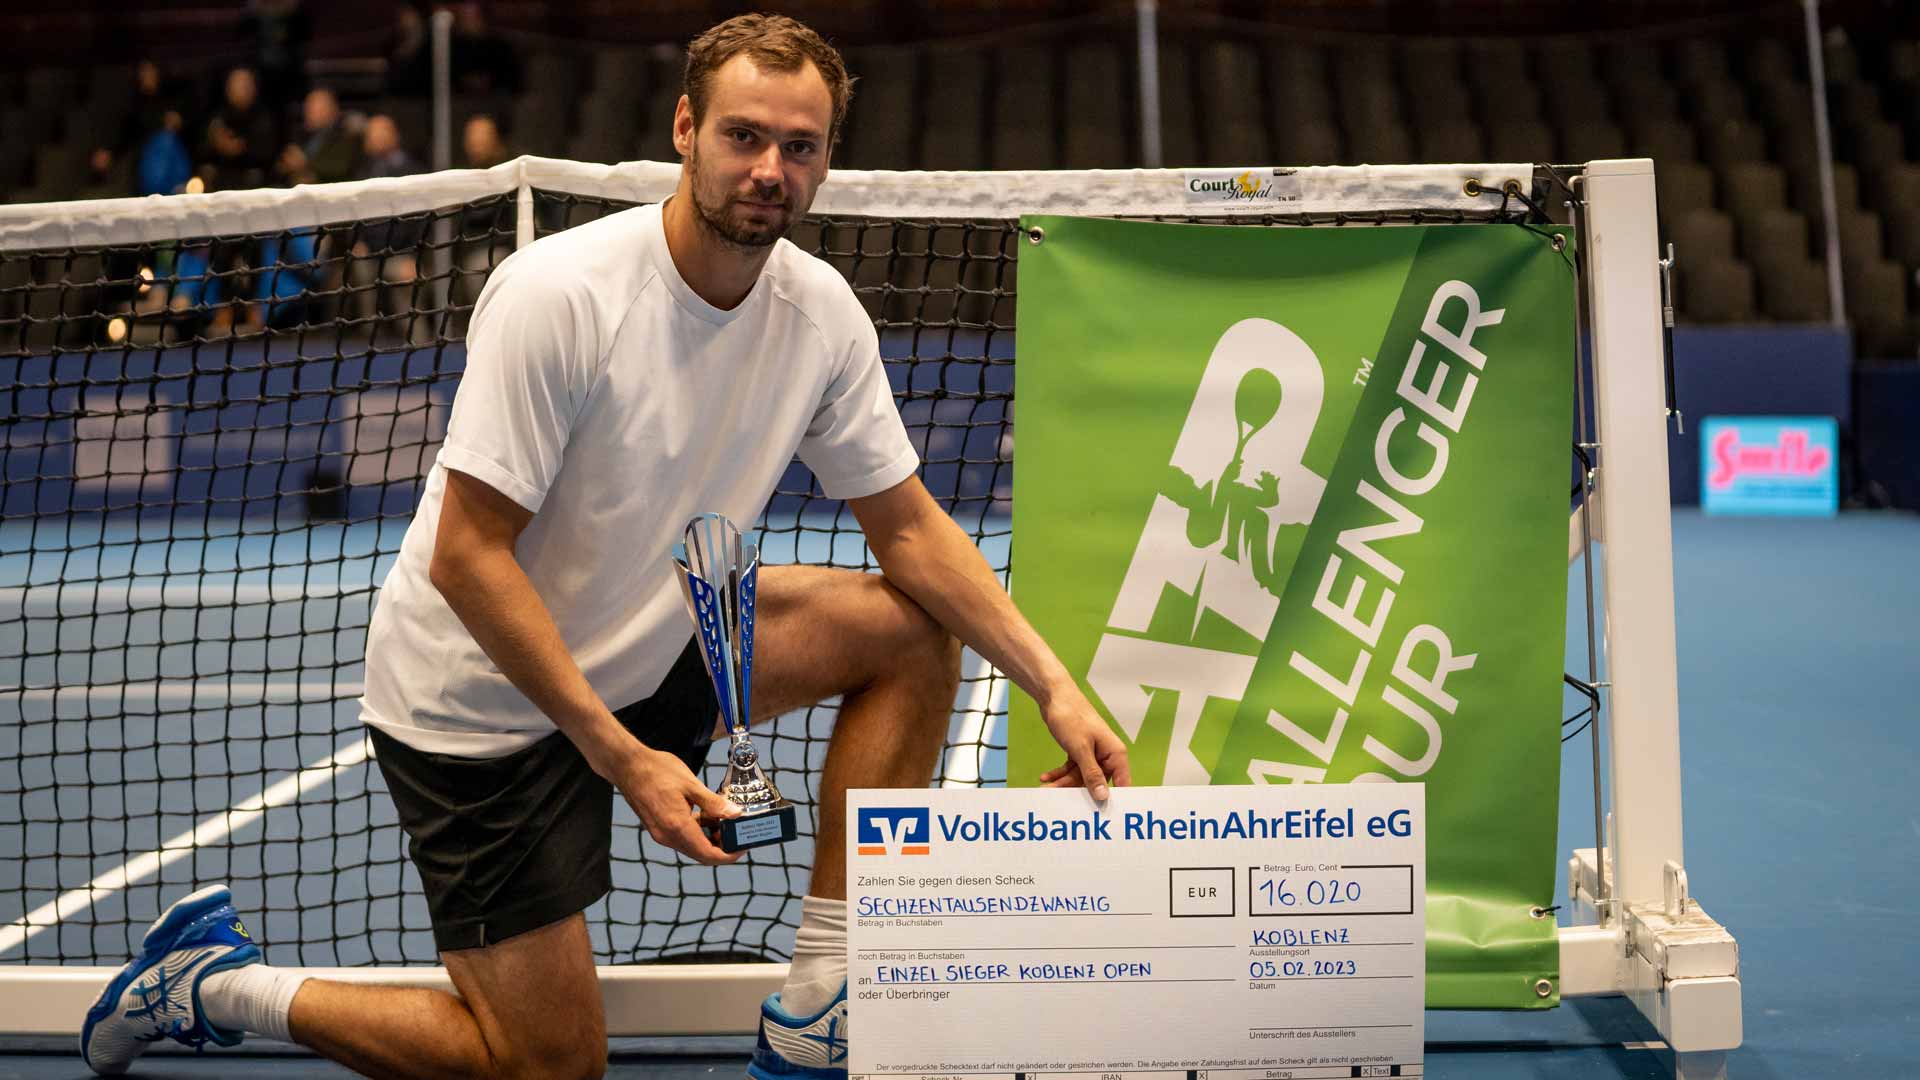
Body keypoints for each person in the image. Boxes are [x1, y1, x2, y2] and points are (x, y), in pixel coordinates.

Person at [79, 14, 1130, 1080]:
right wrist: (622, 757)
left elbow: (907, 528)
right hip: (481, 711)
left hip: (654, 644)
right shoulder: (563, 296)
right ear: (685, 129)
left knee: (910, 631)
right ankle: (213, 984)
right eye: (744, 137)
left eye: (801, 147)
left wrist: (1053, 683)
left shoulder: (819, 315)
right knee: (548, 1066)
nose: (771, 170)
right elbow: (467, 557)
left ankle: (823, 1000)